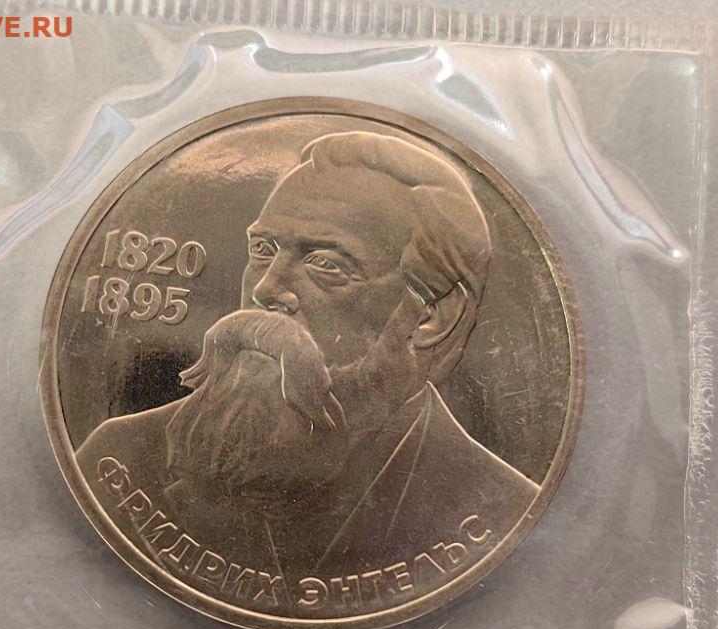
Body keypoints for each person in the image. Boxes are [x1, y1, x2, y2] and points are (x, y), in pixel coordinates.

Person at [77, 131, 538, 584]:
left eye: (327, 264)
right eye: (262, 251)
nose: (265, 290)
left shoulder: (501, 508)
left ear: (432, 316)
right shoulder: (121, 455)